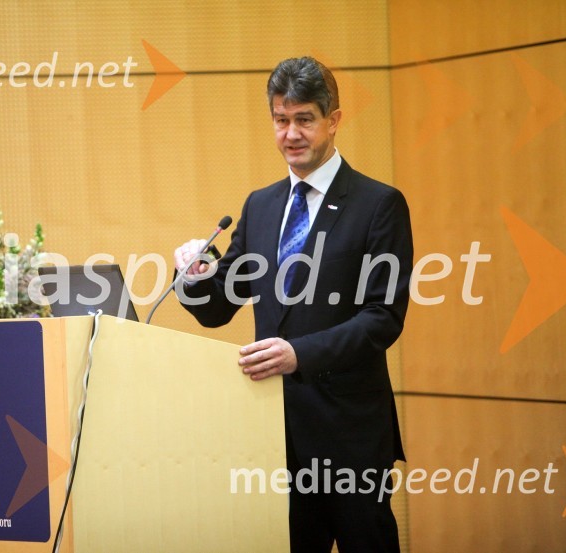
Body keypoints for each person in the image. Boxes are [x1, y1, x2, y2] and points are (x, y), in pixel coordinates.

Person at [174, 57, 413, 552]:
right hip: (273, 435)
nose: (291, 134)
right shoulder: (260, 205)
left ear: (334, 119)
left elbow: (382, 318)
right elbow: (220, 306)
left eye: (304, 119)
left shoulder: (378, 204)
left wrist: (298, 354)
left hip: (349, 435)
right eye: (281, 120)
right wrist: (193, 276)